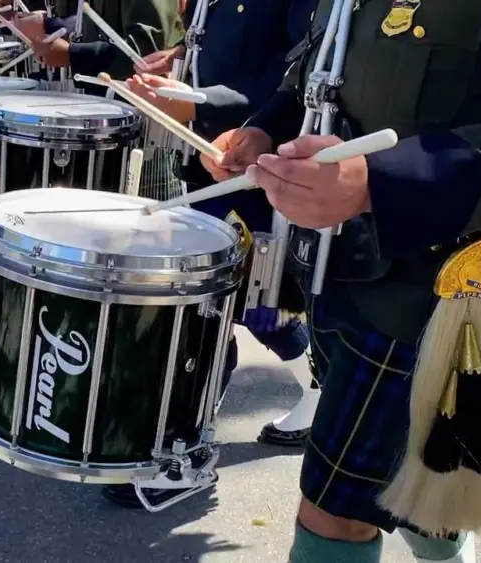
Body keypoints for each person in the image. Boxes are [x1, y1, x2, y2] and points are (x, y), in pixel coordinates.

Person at [204, 0, 481, 561]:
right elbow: (326, 66)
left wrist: (379, 183)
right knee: (421, 489)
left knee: (335, 509)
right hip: (336, 264)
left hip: (438, 291)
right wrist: (265, 130)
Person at [97, 0, 318, 510]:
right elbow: (219, 42)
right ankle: (317, 386)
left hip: (253, 165)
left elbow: (297, 82)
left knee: (218, 311)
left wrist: (198, 102)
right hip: (205, 162)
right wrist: (178, 59)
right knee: (247, 306)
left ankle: (180, 454)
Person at [13, 0, 182, 84]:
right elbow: (89, 22)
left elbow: (143, 57)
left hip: (138, 112)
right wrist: (51, 26)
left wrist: (72, 54)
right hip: (96, 92)